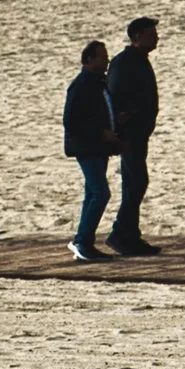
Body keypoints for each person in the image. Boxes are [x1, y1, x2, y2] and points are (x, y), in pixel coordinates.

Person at [104, 17, 161, 255]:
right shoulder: (125, 61)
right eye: (151, 33)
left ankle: (130, 234)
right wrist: (125, 120)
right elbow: (114, 97)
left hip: (138, 133)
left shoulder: (136, 59)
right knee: (136, 182)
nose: (156, 37)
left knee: (135, 183)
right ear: (137, 36)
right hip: (129, 135)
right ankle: (121, 234)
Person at [62, 40, 117, 262]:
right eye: (102, 57)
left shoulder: (97, 82)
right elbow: (71, 121)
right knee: (100, 192)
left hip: (97, 146)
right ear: (89, 60)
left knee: (93, 193)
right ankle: (82, 241)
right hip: (87, 147)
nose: (107, 60)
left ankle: (84, 241)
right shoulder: (82, 84)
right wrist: (100, 133)